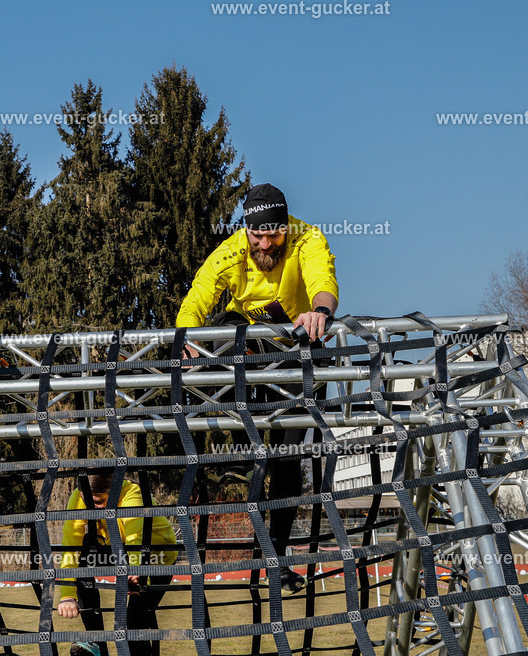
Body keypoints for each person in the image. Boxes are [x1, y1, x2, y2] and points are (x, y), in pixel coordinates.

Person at [175, 182, 339, 594]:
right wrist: (185, 338)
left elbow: (323, 278)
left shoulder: (307, 238)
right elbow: (198, 295)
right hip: (248, 349)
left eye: (274, 234)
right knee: (216, 330)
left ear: (286, 226)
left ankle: (276, 560)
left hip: (295, 353)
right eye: (257, 235)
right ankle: (238, 443)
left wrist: (320, 310)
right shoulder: (231, 251)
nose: (266, 243)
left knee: (287, 459)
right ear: (246, 231)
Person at [58, 474, 178, 656]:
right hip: (117, 551)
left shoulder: (133, 495)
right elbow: (70, 546)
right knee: (83, 553)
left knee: (135, 622)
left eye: (98, 502)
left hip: (157, 557)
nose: (91, 508)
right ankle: (95, 641)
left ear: (112, 491)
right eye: (86, 501)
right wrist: (67, 595)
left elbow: (135, 538)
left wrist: (136, 572)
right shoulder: (80, 496)